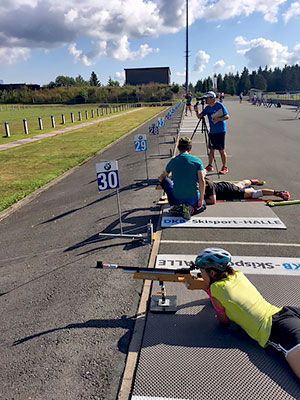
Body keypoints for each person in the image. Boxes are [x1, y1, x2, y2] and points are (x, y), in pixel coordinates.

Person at [194, 247, 300, 380]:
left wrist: (211, 296)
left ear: (212, 272)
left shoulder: (216, 290)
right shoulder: (238, 274)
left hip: (277, 328)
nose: (200, 274)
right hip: (287, 311)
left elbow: (224, 321)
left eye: (201, 271)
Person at [157, 137, 206, 220]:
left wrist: (159, 182)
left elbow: (163, 176)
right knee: (203, 205)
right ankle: (190, 208)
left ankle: (179, 207)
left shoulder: (173, 161)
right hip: (193, 197)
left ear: (178, 148)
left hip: (177, 197)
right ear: (190, 148)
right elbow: (202, 180)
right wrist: (201, 199)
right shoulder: (197, 161)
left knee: (165, 181)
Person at [194, 91, 229, 175]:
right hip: (212, 131)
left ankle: (224, 167)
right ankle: (210, 165)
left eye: (207, 98)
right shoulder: (207, 108)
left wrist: (217, 119)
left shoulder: (219, 105)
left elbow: (227, 116)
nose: (206, 100)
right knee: (211, 150)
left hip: (220, 131)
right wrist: (196, 111)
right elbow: (200, 116)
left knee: (221, 150)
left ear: (212, 98)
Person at [204, 177, 290, 204]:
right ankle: (251, 181)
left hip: (230, 191)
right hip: (225, 185)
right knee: (240, 184)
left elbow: (213, 201)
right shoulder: (202, 180)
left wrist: (201, 200)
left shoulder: (207, 185)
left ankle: (278, 193)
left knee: (254, 194)